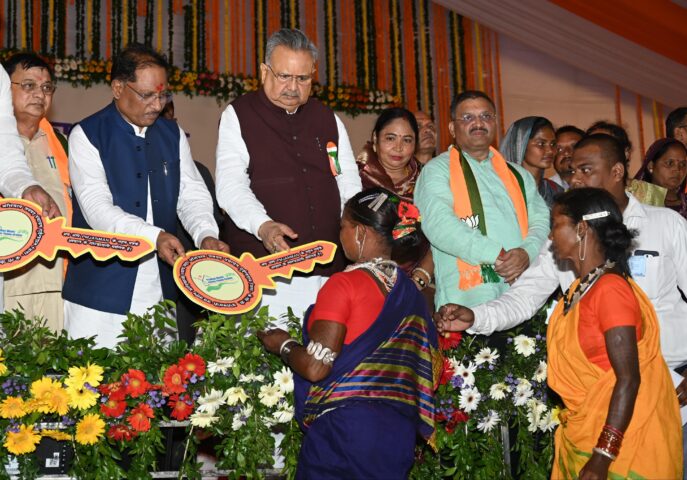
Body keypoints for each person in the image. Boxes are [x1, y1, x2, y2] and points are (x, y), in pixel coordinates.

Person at [435, 134, 687, 476]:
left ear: (616, 171)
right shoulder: (567, 243)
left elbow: (628, 377)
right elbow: (523, 297)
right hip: (594, 407)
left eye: (585, 170)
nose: (574, 179)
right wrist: (475, 316)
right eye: (571, 172)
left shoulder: (666, 224)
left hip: (672, 388)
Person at [257, 187, 439, 479]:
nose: (339, 235)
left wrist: (282, 344)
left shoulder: (344, 285)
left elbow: (316, 367)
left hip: (344, 432)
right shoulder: (413, 295)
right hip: (398, 436)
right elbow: (429, 367)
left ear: (360, 232)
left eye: (342, 226)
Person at [62, 44, 228, 348]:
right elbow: (97, 209)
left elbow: (191, 194)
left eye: (163, 96)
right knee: (91, 376)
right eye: (147, 95)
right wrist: (154, 236)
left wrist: (205, 234)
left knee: (159, 377)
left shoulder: (171, 134)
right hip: (101, 291)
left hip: (160, 289)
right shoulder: (87, 134)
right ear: (117, 88)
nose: (157, 104)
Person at [215, 28, 361, 326]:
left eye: (303, 78)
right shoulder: (239, 115)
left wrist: (357, 234)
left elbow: (346, 182)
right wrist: (263, 225)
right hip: (266, 273)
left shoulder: (328, 119)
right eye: (284, 76)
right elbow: (230, 186)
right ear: (264, 72)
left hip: (328, 271)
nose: (293, 87)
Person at [415, 90, 550, 309]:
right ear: (452, 128)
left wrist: (527, 252)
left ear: (495, 123)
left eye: (486, 116)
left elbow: (541, 220)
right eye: (468, 117)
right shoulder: (437, 170)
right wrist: (498, 255)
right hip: (468, 301)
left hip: (524, 291)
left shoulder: (518, 174)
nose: (478, 123)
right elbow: (439, 225)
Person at [2, 53, 70, 330]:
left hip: (56, 284)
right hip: (8, 284)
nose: (40, 94)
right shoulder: (5, 148)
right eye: (28, 85)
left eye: (46, 87)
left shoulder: (62, 144)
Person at [356, 107, 434, 294]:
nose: (398, 148)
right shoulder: (356, 179)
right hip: (363, 283)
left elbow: (441, 235)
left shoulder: (428, 180)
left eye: (407, 140)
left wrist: (420, 278)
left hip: (418, 284)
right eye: (390, 138)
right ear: (375, 138)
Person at [586, 120, 666, 207]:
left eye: (605, 146)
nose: (598, 153)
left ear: (626, 153)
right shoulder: (583, 192)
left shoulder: (650, 194)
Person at [500, 116, 563, 207]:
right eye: (541, 144)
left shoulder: (554, 190)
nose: (550, 151)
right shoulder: (502, 189)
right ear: (520, 145)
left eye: (553, 144)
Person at [634, 138, 687, 219]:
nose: (677, 169)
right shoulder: (636, 202)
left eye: (683, 164)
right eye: (670, 163)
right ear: (651, 166)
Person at [550, 125, 584, 190]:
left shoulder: (599, 186)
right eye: (559, 149)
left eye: (574, 147)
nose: (566, 153)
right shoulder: (542, 191)